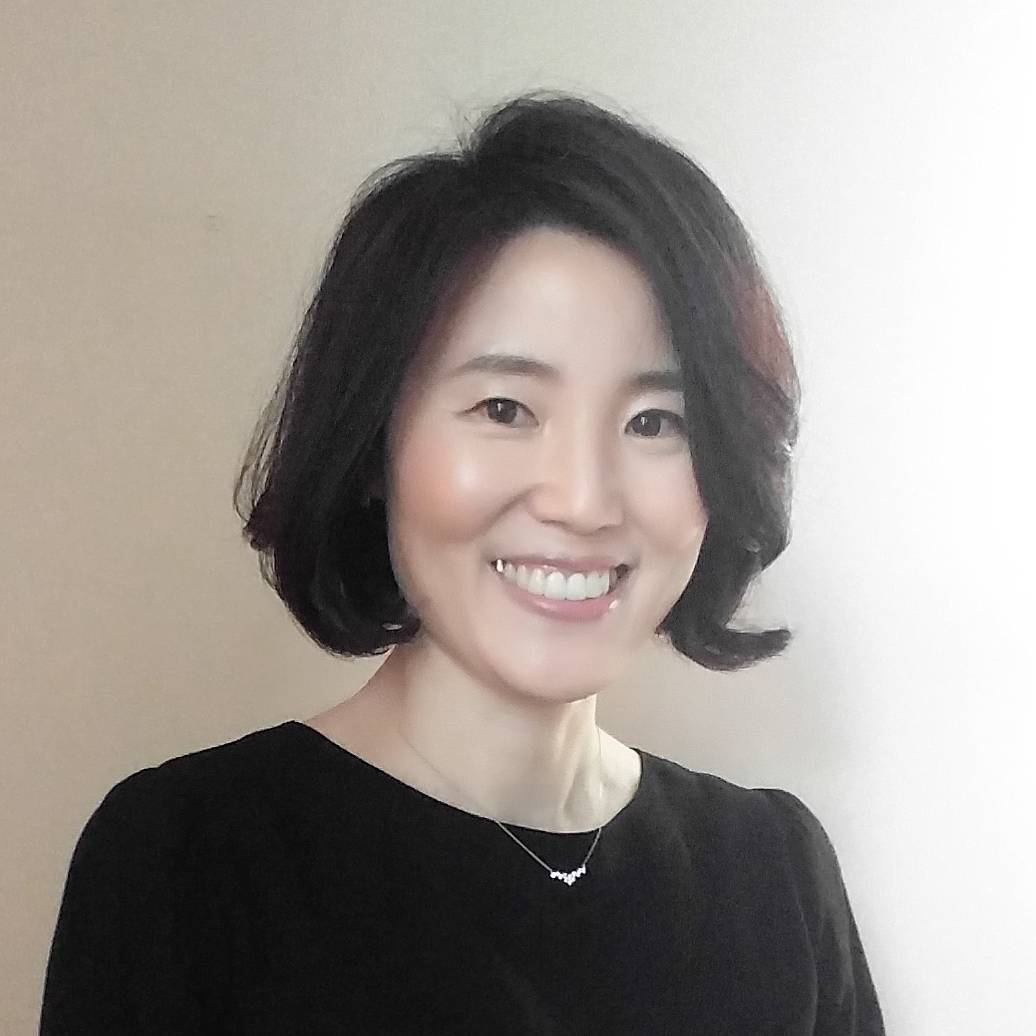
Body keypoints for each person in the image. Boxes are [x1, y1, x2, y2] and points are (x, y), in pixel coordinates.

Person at [40, 93, 884, 1034]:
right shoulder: (187, 860)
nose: (583, 500)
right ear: (374, 444)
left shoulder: (774, 871)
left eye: (656, 421)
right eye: (505, 409)